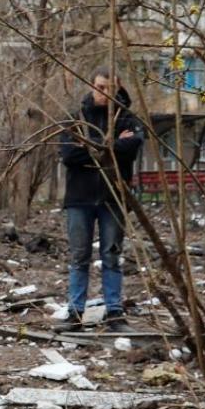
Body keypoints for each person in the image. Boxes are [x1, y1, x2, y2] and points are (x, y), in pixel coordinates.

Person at [57, 69, 144, 333]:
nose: (102, 92)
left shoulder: (127, 119)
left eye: (108, 88)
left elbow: (132, 149)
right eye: (98, 86)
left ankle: (115, 313)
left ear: (117, 89)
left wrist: (92, 147)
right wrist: (111, 146)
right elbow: (69, 155)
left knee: (111, 255)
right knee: (79, 256)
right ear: (91, 86)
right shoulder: (76, 118)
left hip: (113, 197)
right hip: (79, 198)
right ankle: (75, 313)